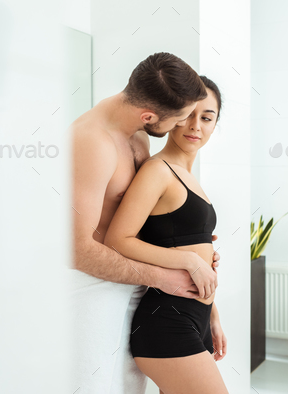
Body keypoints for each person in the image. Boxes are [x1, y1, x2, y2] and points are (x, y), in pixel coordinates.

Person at [70, 53, 221, 394]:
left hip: (137, 286)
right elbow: (77, 249)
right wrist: (173, 270)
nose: (189, 126)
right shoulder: (91, 142)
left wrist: (189, 247)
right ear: (150, 115)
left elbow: (142, 220)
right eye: (181, 118)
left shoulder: (138, 135)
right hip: (93, 290)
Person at [104, 76, 228, 394]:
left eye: (207, 117)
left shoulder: (189, 176)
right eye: (188, 114)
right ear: (173, 115)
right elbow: (118, 239)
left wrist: (212, 315)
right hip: (166, 322)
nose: (195, 125)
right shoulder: (158, 171)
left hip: (194, 318)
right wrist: (189, 259)